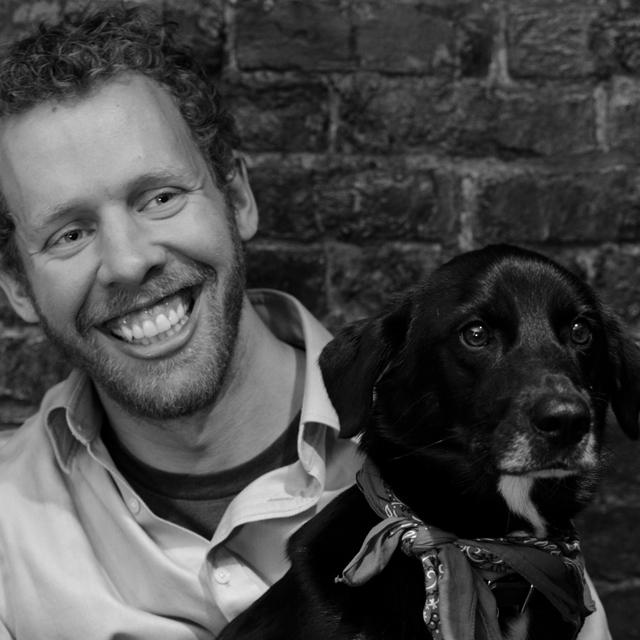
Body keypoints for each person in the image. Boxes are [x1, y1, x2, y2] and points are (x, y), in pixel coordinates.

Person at [0, 4, 611, 639]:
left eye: (159, 196)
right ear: (18, 285)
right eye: (70, 233)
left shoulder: (479, 451)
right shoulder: (8, 538)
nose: (128, 261)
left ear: (236, 198)